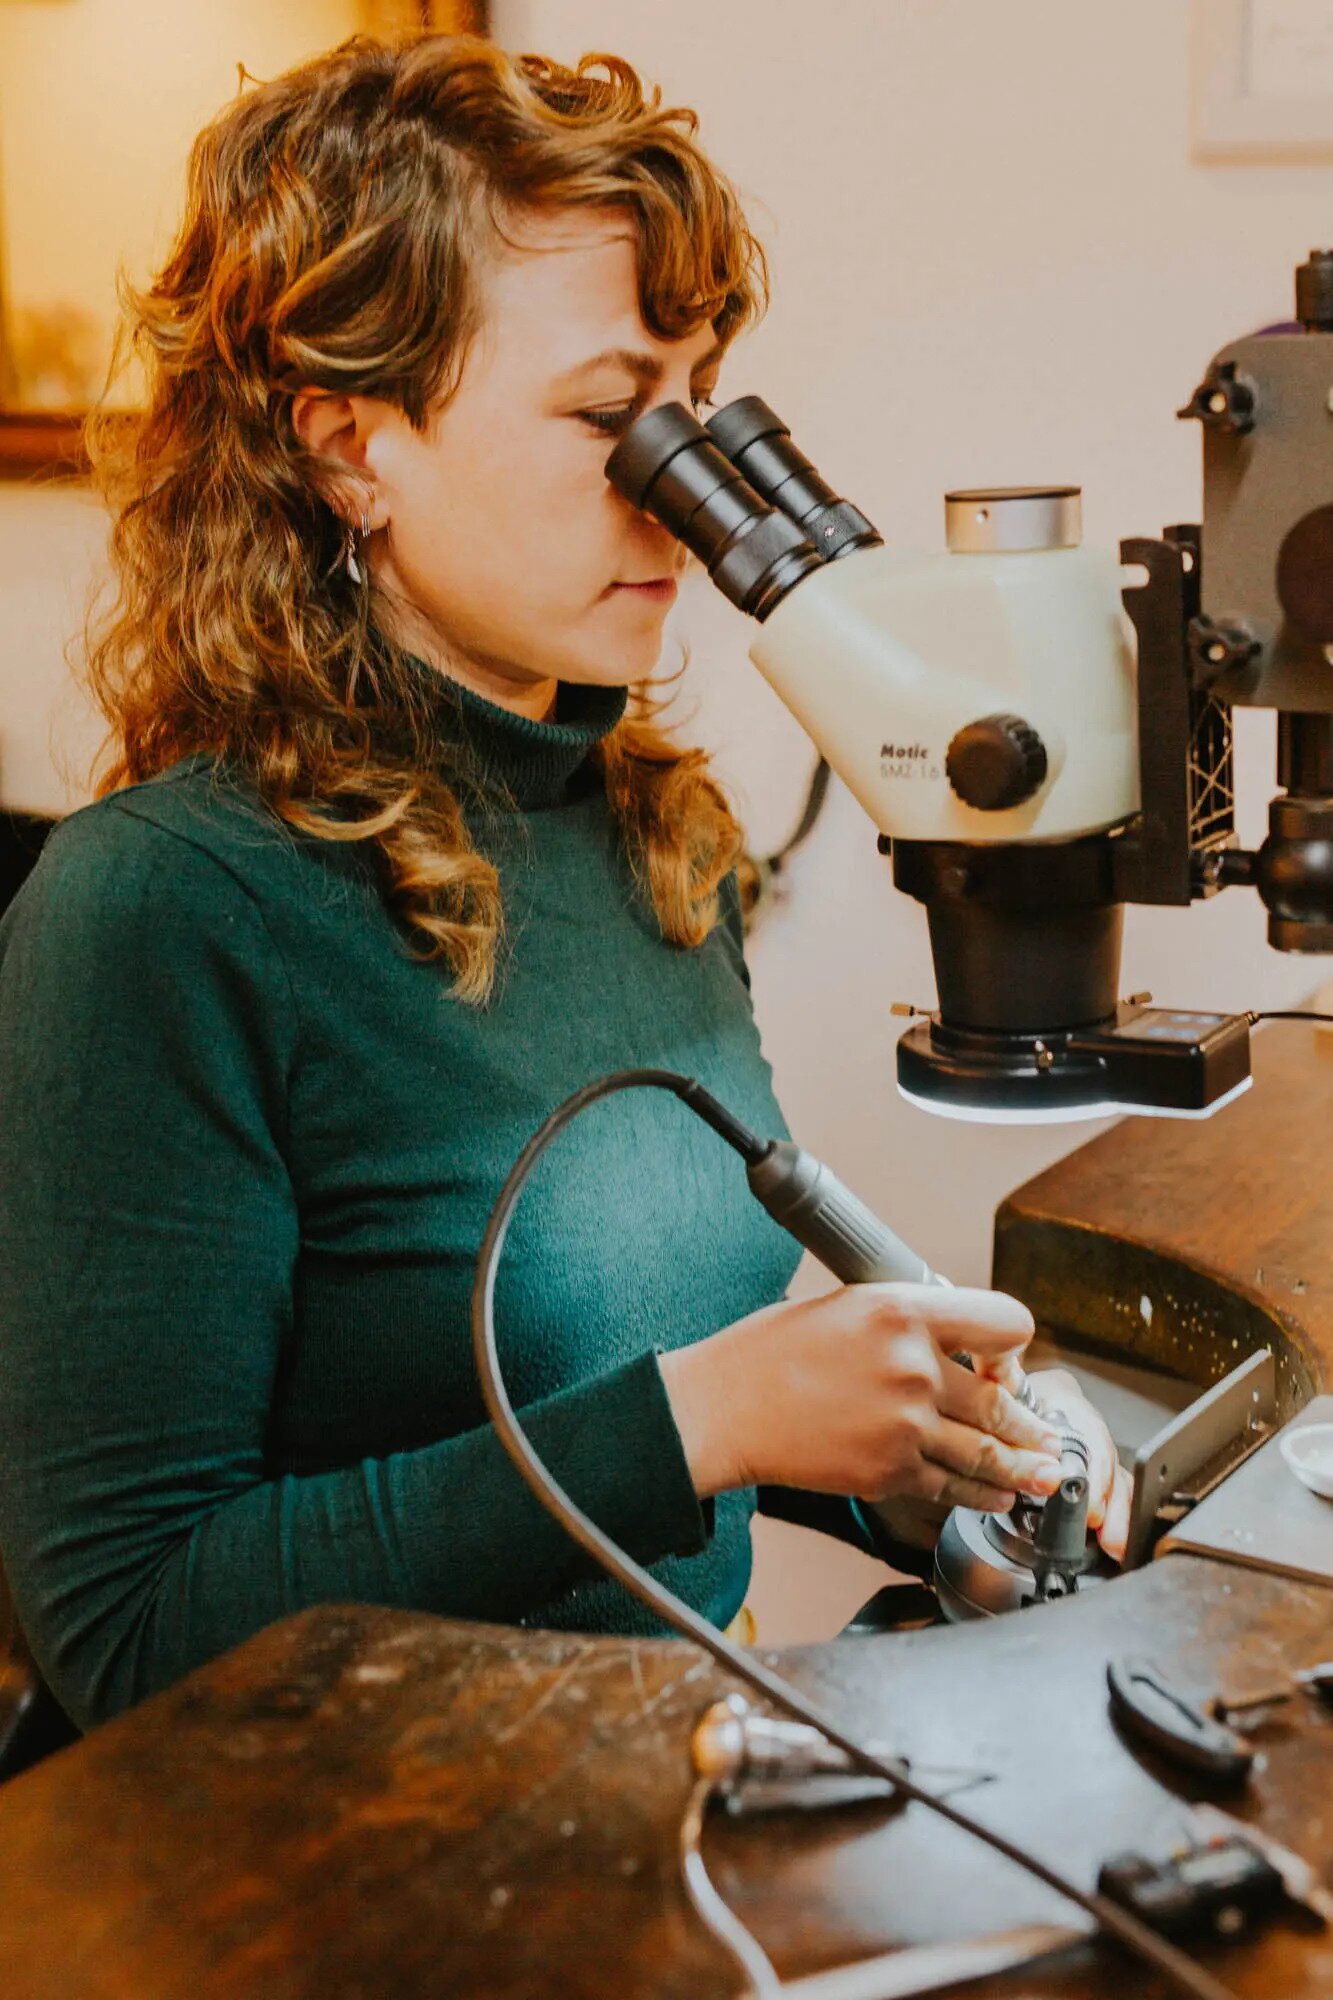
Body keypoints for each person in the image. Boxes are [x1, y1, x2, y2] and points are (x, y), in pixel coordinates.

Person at [0, 33, 1129, 1734]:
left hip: (635, 1803)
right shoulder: (158, 912)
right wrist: (707, 1419)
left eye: (691, 413)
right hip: (306, 1883)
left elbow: (612, 1442)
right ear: (347, 445)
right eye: (609, 416)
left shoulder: (653, 841)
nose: (672, 494)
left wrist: (903, 1465)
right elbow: (127, 1631)